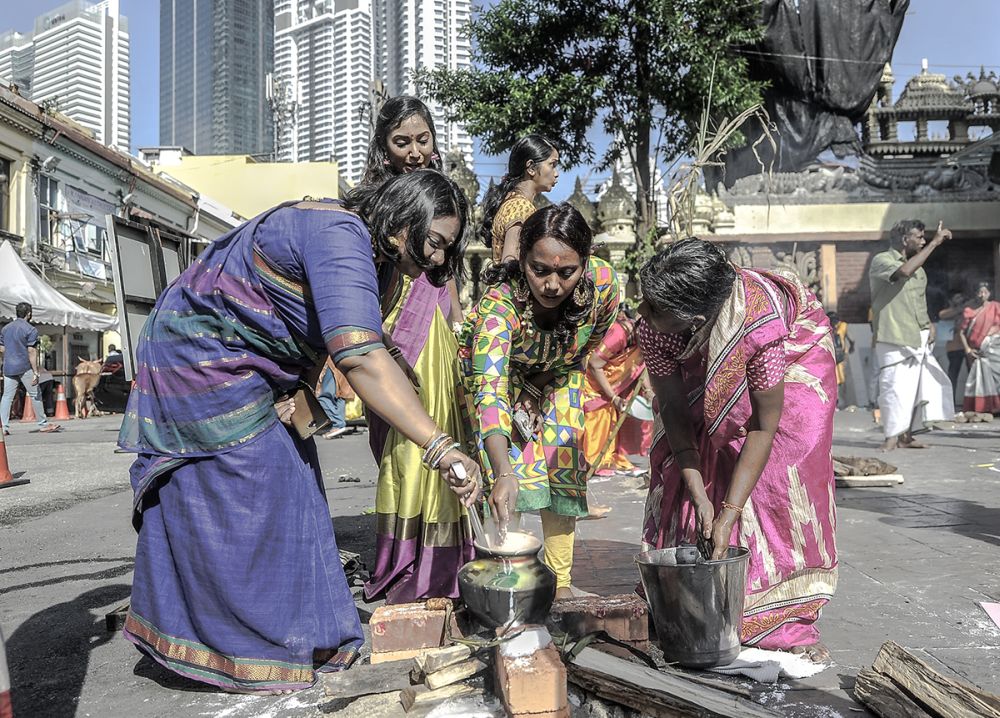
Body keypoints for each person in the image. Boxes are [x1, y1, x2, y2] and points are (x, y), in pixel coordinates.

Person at [117, 170, 482, 694]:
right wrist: (443, 449)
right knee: (255, 480)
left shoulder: (383, 267)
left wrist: (318, 395)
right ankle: (242, 646)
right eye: (435, 242)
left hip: (256, 364)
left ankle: (307, 635)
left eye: (447, 249)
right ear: (402, 220)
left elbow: (353, 343)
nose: (440, 260)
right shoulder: (340, 235)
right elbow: (359, 356)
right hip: (202, 354)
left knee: (297, 482)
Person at [637, 238, 837, 663]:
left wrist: (728, 511)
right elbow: (674, 410)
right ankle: (684, 592)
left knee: (781, 466)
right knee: (691, 452)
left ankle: (777, 610)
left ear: (692, 318)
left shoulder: (759, 329)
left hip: (794, 351)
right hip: (706, 352)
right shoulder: (656, 327)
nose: (642, 313)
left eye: (654, 308)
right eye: (645, 301)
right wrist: (697, 490)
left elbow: (764, 426)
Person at [460, 203, 620, 600]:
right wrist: (501, 472)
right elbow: (490, 391)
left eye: (567, 272)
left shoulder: (603, 284)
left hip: (560, 375)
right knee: (510, 475)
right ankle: (507, 583)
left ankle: (560, 584)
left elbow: (586, 345)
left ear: (586, 262)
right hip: (501, 381)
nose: (552, 285)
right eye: (539, 270)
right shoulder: (500, 308)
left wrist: (543, 382)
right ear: (522, 260)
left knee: (563, 466)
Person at [354, 97, 473, 604]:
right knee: (404, 446)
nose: (415, 151)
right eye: (402, 142)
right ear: (384, 148)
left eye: (423, 139)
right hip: (390, 337)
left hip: (438, 341)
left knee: (443, 430)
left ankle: (444, 561)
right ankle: (405, 562)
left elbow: (447, 278)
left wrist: (461, 326)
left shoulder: (445, 196)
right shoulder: (370, 205)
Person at [869, 220, 954, 450]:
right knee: (893, 387)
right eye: (920, 236)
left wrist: (929, 325)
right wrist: (936, 243)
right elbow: (903, 272)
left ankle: (907, 436)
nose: (923, 240)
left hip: (919, 335)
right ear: (906, 239)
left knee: (920, 387)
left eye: (925, 237)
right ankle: (891, 437)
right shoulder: (882, 261)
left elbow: (918, 302)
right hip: (893, 335)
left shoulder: (921, 270)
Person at [582, 307, 649, 478]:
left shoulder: (644, 341)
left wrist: (648, 391)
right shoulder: (619, 334)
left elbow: (641, 366)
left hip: (614, 387)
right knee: (599, 420)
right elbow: (594, 364)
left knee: (617, 419)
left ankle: (615, 460)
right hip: (593, 383)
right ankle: (595, 462)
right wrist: (613, 397)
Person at [479, 134, 559, 267]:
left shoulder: (510, 201)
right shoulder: (520, 206)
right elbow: (510, 260)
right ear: (531, 168)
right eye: (552, 164)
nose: (556, 173)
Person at [0, 303, 59, 435]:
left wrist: (11, 353)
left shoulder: (6, 329)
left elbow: (2, 348)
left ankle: (3, 427)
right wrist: (36, 372)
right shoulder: (31, 330)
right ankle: (43, 424)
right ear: (29, 314)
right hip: (24, 367)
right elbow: (31, 352)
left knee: (7, 397)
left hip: (8, 367)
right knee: (35, 394)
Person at [960, 282, 1000, 414]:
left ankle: (996, 407)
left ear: (989, 293)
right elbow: (961, 332)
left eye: (985, 292)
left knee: (996, 379)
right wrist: (968, 350)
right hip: (976, 353)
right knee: (978, 380)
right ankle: (982, 407)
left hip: (994, 352)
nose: (982, 295)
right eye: (979, 292)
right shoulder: (969, 310)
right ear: (975, 293)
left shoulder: (996, 307)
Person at [938, 291, 970, 402]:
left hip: (968, 346)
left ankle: (970, 402)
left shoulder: (969, 310)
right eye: (957, 298)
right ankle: (950, 402)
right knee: (953, 375)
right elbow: (942, 315)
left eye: (961, 298)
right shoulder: (949, 312)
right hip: (954, 348)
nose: (959, 300)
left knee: (971, 375)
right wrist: (959, 309)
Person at [316, 356, 350, 440]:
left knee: (324, 396)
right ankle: (339, 424)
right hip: (340, 360)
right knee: (339, 395)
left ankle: (337, 424)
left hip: (329, 363)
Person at [826, 311, 854, 408]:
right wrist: (851, 347)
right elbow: (852, 339)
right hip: (841, 356)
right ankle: (841, 402)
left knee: (834, 380)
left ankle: (837, 402)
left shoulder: (825, 327)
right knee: (842, 379)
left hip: (830, 357)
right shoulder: (842, 326)